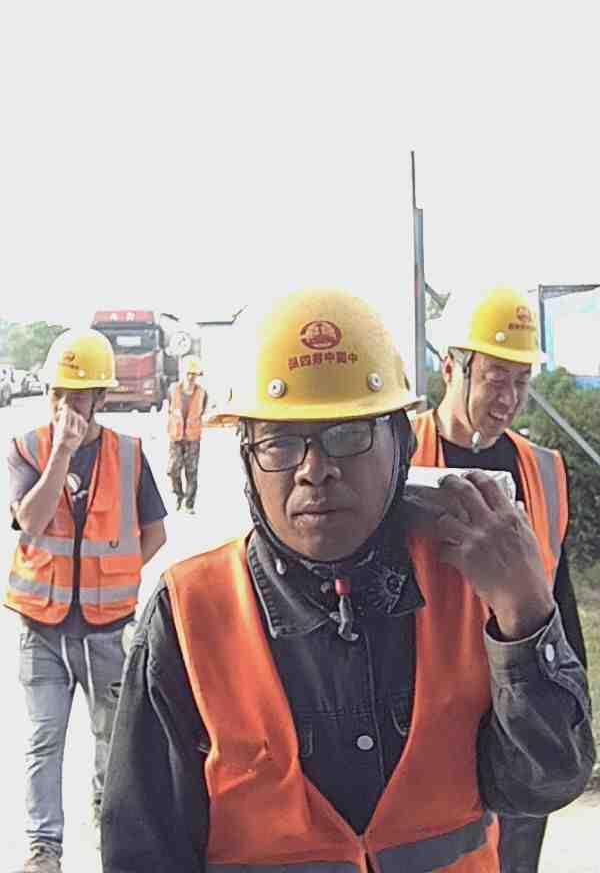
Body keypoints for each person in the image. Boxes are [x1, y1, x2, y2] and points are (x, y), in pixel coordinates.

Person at [102, 289, 595, 873]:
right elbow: (143, 852)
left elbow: (543, 785)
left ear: (399, 446)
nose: (314, 470)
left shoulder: (469, 590)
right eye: (281, 442)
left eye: (347, 435)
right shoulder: (189, 615)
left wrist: (526, 613)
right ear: (248, 460)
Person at [412, 286, 589, 873]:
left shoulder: (545, 470)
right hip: (427, 720)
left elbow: (556, 598)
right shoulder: (396, 456)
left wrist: (570, 710)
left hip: (520, 713)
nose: (509, 398)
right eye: (495, 379)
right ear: (451, 368)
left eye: (521, 381)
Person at [5, 329, 167, 873]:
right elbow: (29, 520)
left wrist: (114, 572)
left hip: (106, 630)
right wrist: (62, 454)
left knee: (111, 742)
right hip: (42, 630)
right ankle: (43, 849)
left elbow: (154, 533)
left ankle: (109, 834)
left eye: (77, 397)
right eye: (57, 393)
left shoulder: (129, 454)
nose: (64, 406)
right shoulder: (27, 449)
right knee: (43, 741)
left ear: (100, 397)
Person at [166, 354, 207, 515]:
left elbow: (202, 411)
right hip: (176, 436)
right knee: (173, 470)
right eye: (189, 374)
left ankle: (189, 504)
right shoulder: (173, 390)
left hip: (192, 438)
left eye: (194, 374)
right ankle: (178, 495)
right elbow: (169, 409)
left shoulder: (202, 393)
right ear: (183, 373)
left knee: (191, 472)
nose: (191, 377)